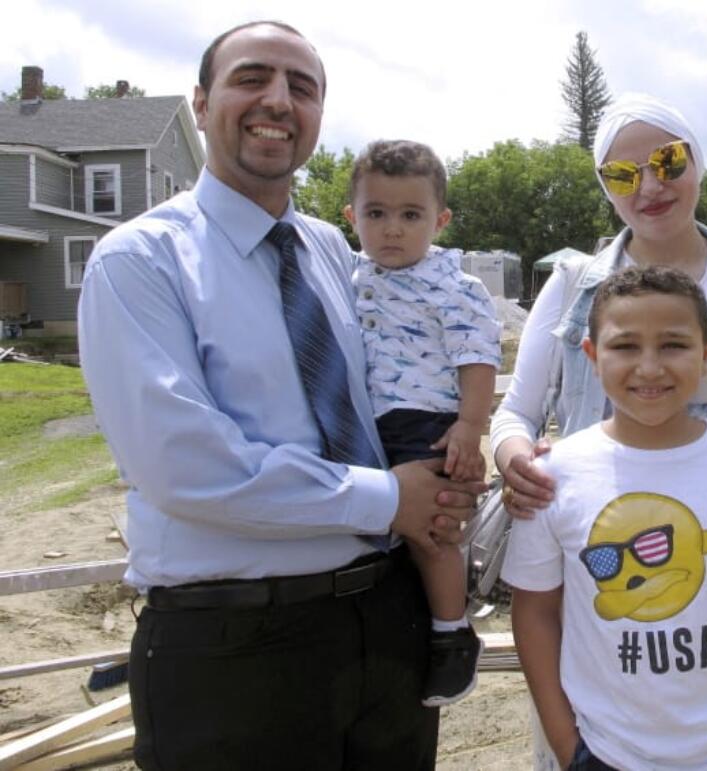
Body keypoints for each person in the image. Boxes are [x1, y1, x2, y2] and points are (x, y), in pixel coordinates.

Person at [78, 21, 483, 769]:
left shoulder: (336, 251)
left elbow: (396, 385)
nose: (278, 100)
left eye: (302, 87)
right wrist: (388, 499)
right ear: (200, 104)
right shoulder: (138, 262)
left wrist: (458, 451)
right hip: (235, 649)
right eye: (252, 77)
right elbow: (187, 466)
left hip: (384, 622)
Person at [503, 265, 707, 770]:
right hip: (608, 752)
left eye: (673, 345)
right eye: (626, 346)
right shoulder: (555, 476)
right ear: (591, 357)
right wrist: (569, 746)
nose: (650, 368)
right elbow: (536, 611)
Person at [490, 92, 707, 521]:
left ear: (697, 161)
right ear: (606, 188)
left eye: (668, 161)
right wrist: (517, 463)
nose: (651, 186)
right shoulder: (571, 286)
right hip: (610, 531)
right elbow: (516, 412)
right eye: (622, 176)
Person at [345, 138, 500, 706]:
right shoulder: (350, 276)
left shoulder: (453, 286)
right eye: (376, 214)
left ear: (440, 220)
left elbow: (478, 357)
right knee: (376, 536)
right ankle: (402, 630)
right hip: (363, 426)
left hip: (427, 423)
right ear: (352, 217)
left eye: (411, 215)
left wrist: (470, 426)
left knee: (434, 532)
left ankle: (451, 633)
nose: (392, 229)